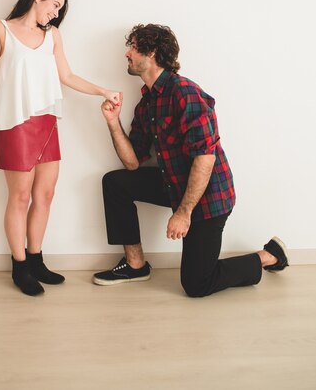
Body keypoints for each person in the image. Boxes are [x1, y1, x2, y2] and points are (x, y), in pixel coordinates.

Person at [93, 24, 288, 296]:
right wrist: (113, 123)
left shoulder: (185, 93)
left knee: (197, 285)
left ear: (151, 53)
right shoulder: (147, 103)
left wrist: (183, 214)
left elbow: (205, 158)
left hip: (208, 196)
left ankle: (268, 256)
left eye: (134, 47)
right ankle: (136, 265)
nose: (127, 53)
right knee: (115, 182)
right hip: (174, 183)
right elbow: (133, 163)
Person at [0, 0, 120, 297]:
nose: (55, 13)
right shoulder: (2, 29)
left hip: (46, 122)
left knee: (46, 195)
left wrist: (102, 90)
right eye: (54, 5)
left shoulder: (52, 35)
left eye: (60, 9)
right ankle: (20, 266)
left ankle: (37, 259)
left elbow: (66, 76)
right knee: (20, 197)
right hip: (16, 123)